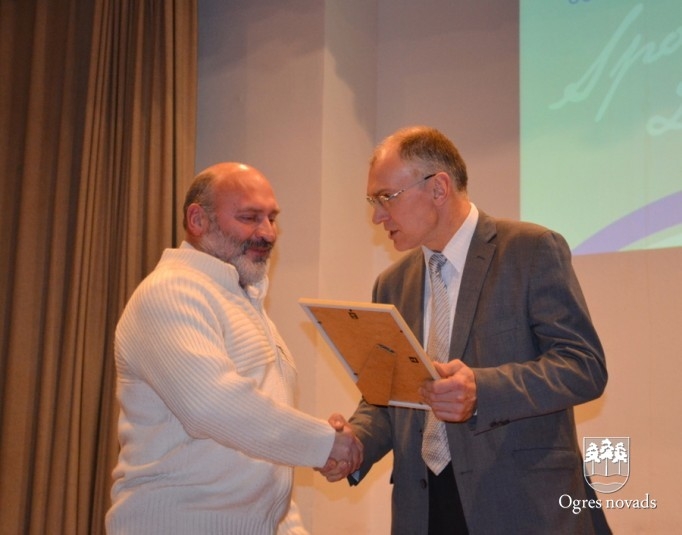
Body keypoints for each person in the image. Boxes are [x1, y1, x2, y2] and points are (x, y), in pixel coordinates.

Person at [323, 126, 610, 534]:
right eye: (374, 201)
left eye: (387, 197)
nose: (378, 216)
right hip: (424, 509)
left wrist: (482, 391)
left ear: (438, 188)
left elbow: (583, 367)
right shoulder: (392, 285)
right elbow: (388, 395)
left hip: (521, 507)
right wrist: (356, 440)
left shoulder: (530, 251)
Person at [106, 162, 362, 534]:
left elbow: (260, 458)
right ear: (197, 220)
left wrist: (288, 527)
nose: (268, 233)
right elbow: (213, 406)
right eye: (249, 218)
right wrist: (324, 442)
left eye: (272, 218)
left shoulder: (242, 299)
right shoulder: (170, 291)